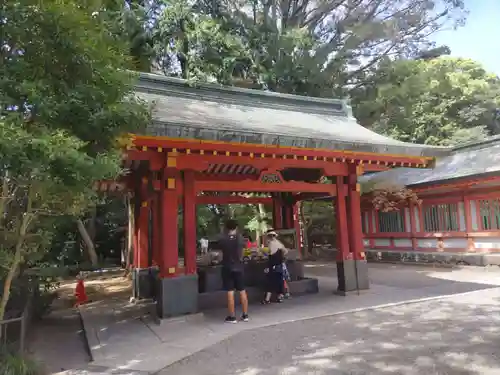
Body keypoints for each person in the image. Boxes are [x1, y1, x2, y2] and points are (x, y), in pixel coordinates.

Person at [217, 219, 249, 323]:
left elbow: (220, 251)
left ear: (226, 228)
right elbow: (243, 252)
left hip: (227, 267)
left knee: (230, 292)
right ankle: (245, 315)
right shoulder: (240, 239)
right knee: (242, 291)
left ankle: (232, 317)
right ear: (236, 227)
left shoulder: (223, 239)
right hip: (239, 267)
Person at [261, 230, 288, 304]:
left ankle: (267, 299)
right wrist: (281, 256)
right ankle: (280, 297)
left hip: (273, 266)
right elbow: (286, 251)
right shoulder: (279, 243)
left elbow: (270, 255)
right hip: (279, 266)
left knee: (270, 282)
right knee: (279, 282)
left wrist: (263, 253)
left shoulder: (271, 244)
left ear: (269, 237)